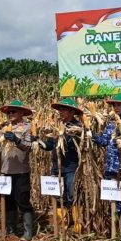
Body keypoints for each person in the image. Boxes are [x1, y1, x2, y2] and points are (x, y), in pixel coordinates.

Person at [0, 99, 35, 240]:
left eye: (13, 111)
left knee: (23, 201)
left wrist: (16, 140)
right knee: (8, 202)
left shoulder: (27, 127)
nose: (10, 114)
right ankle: (10, 229)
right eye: (8, 112)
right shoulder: (4, 129)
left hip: (21, 171)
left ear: (22, 113)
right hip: (5, 171)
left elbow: (29, 147)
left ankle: (27, 232)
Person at [39, 98, 83, 233]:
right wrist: (39, 142)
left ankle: (77, 224)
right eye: (60, 110)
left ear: (72, 111)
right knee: (58, 196)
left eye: (63, 109)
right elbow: (50, 145)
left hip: (71, 168)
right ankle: (62, 224)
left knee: (72, 195)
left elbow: (73, 145)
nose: (60, 112)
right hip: (56, 167)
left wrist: (65, 136)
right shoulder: (58, 126)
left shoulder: (77, 127)